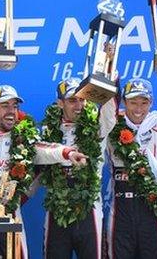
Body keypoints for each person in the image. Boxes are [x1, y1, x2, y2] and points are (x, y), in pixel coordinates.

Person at [0, 32, 89, 259]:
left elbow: (45, 150)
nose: (11, 111)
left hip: (9, 212)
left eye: (14, 105)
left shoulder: (23, 137)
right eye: (4, 106)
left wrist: (68, 152)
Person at [104, 66, 157, 259]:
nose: (138, 108)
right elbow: (107, 105)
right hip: (120, 209)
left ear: (151, 103)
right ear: (124, 102)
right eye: (133, 102)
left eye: (144, 102)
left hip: (151, 208)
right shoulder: (112, 126)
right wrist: (110, 69)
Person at [39, 77, 116, 259]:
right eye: (72, 100)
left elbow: (110, 111)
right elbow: (37, 152)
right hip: (57, 212)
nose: (78, 105)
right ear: (60, 103)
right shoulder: (48, 130)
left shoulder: (97, 127)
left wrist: (109, 73)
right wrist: (65, 153)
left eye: (82, 99)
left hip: (89, 211)